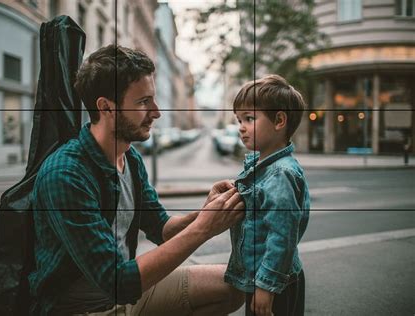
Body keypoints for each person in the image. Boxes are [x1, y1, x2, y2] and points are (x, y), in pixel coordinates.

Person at [29, 44, 245, 316]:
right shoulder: (66, 174)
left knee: (234, 286)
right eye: (143, 102)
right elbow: (116, 281)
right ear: (107, 108)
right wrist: (203, 229)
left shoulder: (130, 158)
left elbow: (161, 228)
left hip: (124, 295)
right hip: (81, 308)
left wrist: (206, 212)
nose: (156, 112)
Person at [224, 75, 311, 316]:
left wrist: (266, 286)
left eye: (249, 119)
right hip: (262, 277)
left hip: (273, 283)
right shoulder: (261, 166)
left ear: (279, 120)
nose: (240, 126)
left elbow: (282, 235)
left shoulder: (281, 173)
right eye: (239, 119)